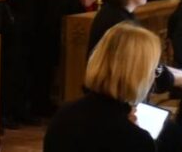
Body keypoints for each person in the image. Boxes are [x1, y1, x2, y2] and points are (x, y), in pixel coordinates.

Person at [44, 23, 159, 152]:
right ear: (138, 73)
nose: (154, 76)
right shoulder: (136, 140)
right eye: (155, 69)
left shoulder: (64, 115)